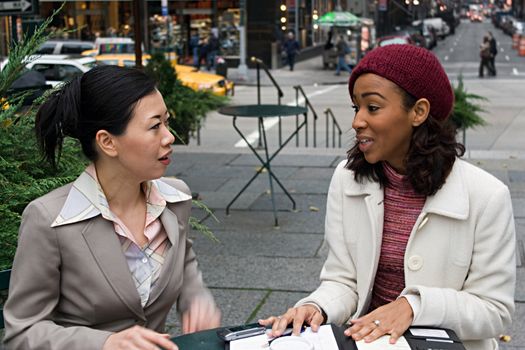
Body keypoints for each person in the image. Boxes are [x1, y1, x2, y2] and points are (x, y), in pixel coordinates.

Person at [260, 44, 515, 350]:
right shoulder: (347, 178)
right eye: (357, 107)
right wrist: (316, 308)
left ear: (418, 112)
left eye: (373, 107)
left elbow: (494, 310)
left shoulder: (487, 196)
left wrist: (413, 307)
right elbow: (344, 281)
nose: (357, 122)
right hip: (368, 341)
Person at [3, 65, 221, 350]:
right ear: (107, 142)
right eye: (155, 126)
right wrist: (105, 343)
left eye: (167, 122)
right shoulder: (48, 219)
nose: (169, 137)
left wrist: (196, 300)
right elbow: (22, 333)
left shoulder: (175, 199)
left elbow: (183, 261)